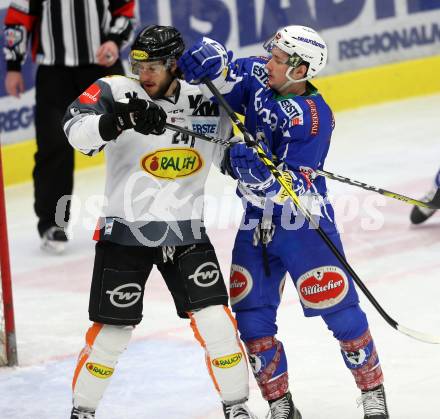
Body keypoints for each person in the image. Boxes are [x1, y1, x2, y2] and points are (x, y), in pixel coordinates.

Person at [178, 26, 390, 418]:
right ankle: (281, 405)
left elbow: (297, 185)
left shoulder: (313, 117)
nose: (269, 63)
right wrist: (208, 57)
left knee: (340, 312)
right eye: (272, 55)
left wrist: (261, 176)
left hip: (302, 225)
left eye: (278, 59)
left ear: (301, 68)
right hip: (256, 221)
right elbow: (222, 80)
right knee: (252, 318)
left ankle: (373, 392)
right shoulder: (261, 72)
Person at [63, 25, 256, 419]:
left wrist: (249, 163)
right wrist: (117, 122)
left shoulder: (205, 98)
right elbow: (74, 131)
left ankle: (236, 408)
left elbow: (223, 156)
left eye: (153, 66)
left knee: (217, 323)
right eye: (139, 64)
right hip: (124, 233)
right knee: (111, 335)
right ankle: (82, 411)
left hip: (186, 232)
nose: (144, 73)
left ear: (174, 64)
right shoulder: (116, 90)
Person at [3, 0, 134, 254]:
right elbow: (18, 19)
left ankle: (133, 213)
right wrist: (13, 67)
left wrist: (114, 41)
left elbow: (125, 9)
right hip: (54, 73)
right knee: (54, 148)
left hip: (102, 66)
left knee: (127, 140)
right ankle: (53, 224)